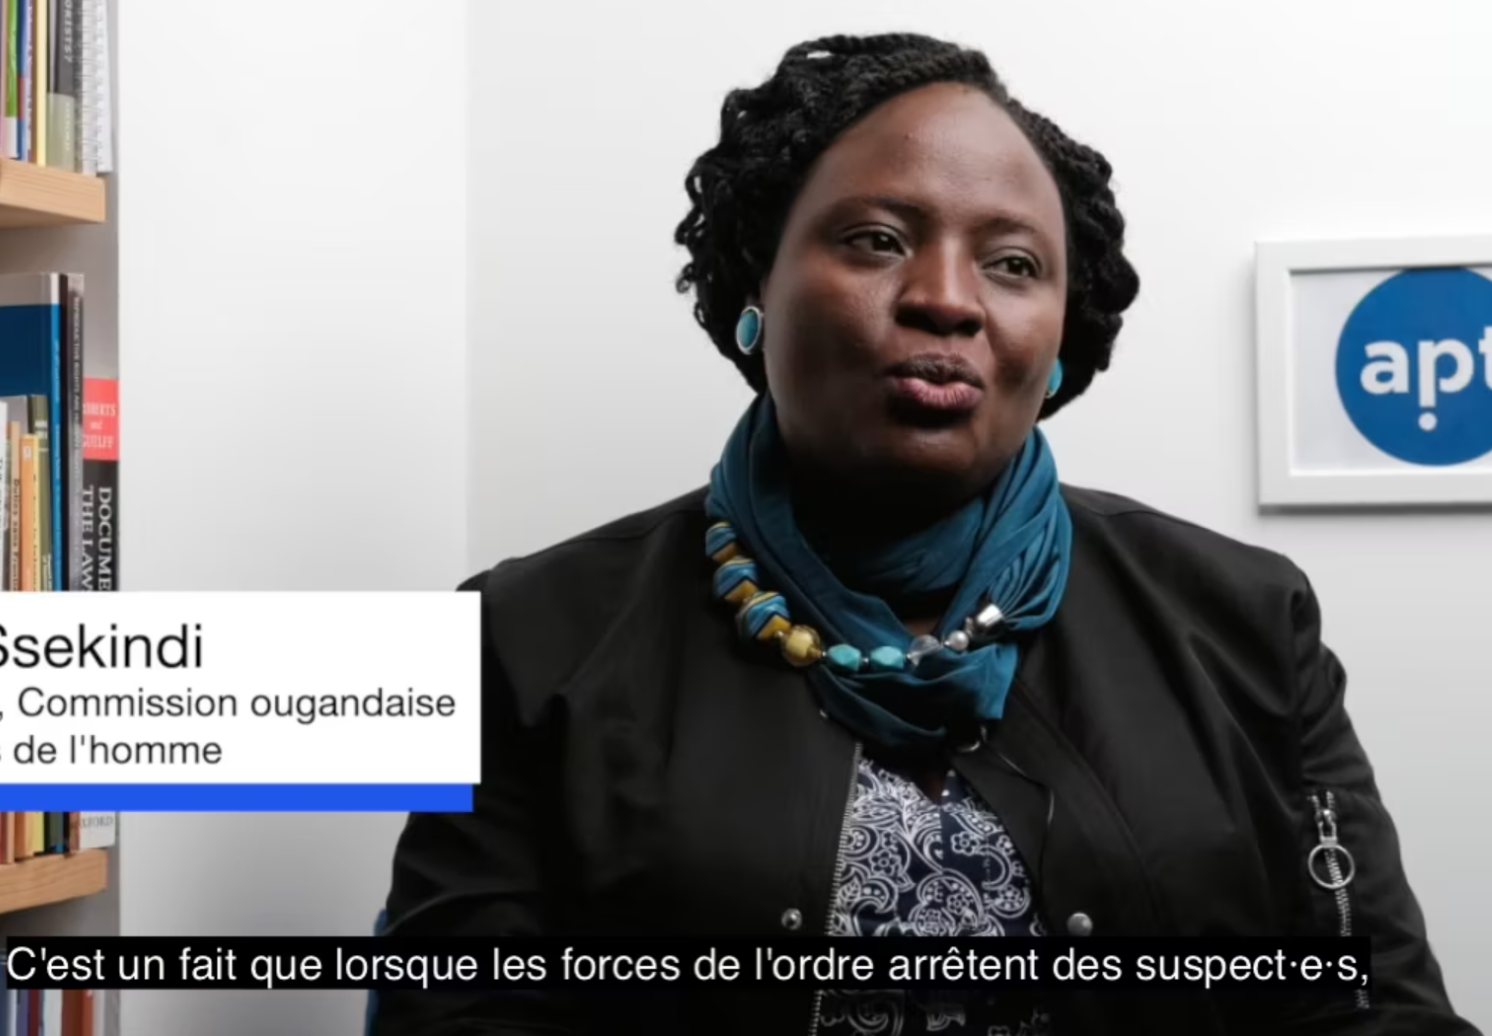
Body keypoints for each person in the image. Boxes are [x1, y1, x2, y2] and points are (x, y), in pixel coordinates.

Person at [376, 32, 1478, 1036]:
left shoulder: (1245, 616)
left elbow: (1373, 1008)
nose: (948, 299)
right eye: (876, 239)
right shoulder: (518, 636)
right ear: (756, 285)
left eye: (1013, 263)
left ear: (1059, 341)